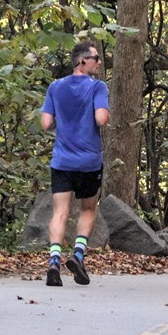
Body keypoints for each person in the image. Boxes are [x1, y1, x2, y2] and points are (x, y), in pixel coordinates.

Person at [40, 42, 109, 287]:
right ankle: (78, 255)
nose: (99, 63)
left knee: (60, 212)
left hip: (62, 160)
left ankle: (54, 261)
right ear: (82, 61)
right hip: (89, 161)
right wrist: (102, 113)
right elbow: (101, 119)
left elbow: (46, 123)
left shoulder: (55, 87)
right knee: (88, 209)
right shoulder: (98, 87)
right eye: (96, 58)